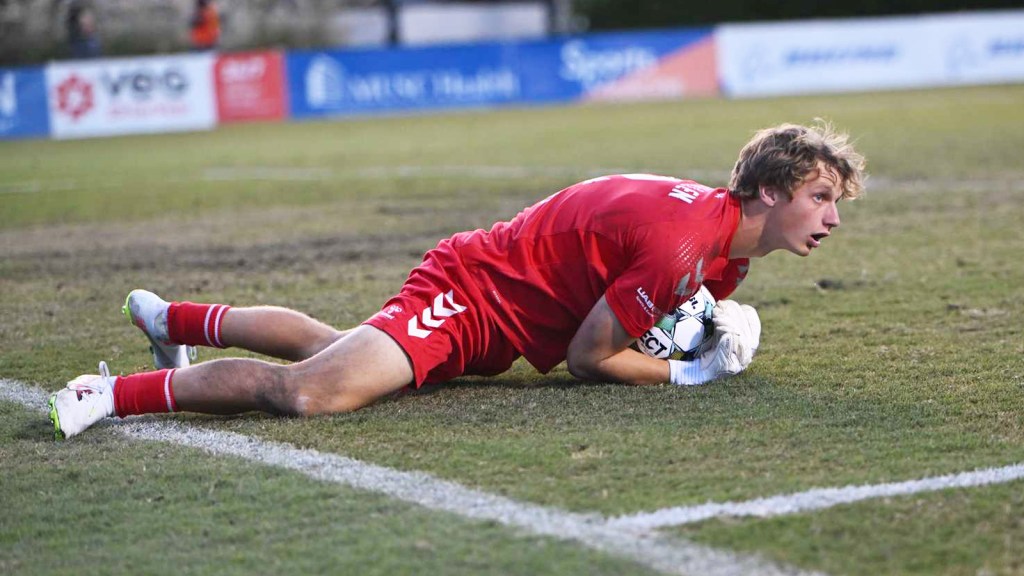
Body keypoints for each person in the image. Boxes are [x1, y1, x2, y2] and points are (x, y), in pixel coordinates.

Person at [48, 121, 866, 439]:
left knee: (344, 350)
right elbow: (592, 356)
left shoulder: (723, 252)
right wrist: (692, 371)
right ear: (768, 188)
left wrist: (697, 335)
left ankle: (177, 320)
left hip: (502, 317)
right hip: (476, 293)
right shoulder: (687, 241)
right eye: (820, 196)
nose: (831, 216)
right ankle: (108, 394)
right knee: (313, 393)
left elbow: (636, 323)